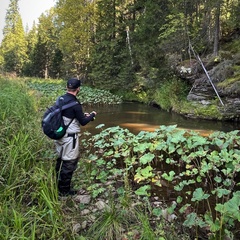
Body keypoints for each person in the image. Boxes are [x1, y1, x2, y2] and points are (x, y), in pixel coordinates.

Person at [55, 78, 97, 196]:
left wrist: (82, 116)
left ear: (67, 87)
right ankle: (64, 192)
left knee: (60, 159)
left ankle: (57, 184)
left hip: (59, 134)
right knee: (69, 163)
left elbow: (69, 115)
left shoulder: (61, 99)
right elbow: (83, 122)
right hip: (70, 138)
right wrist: (92, 115)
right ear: (78, 89)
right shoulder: (75, 103)